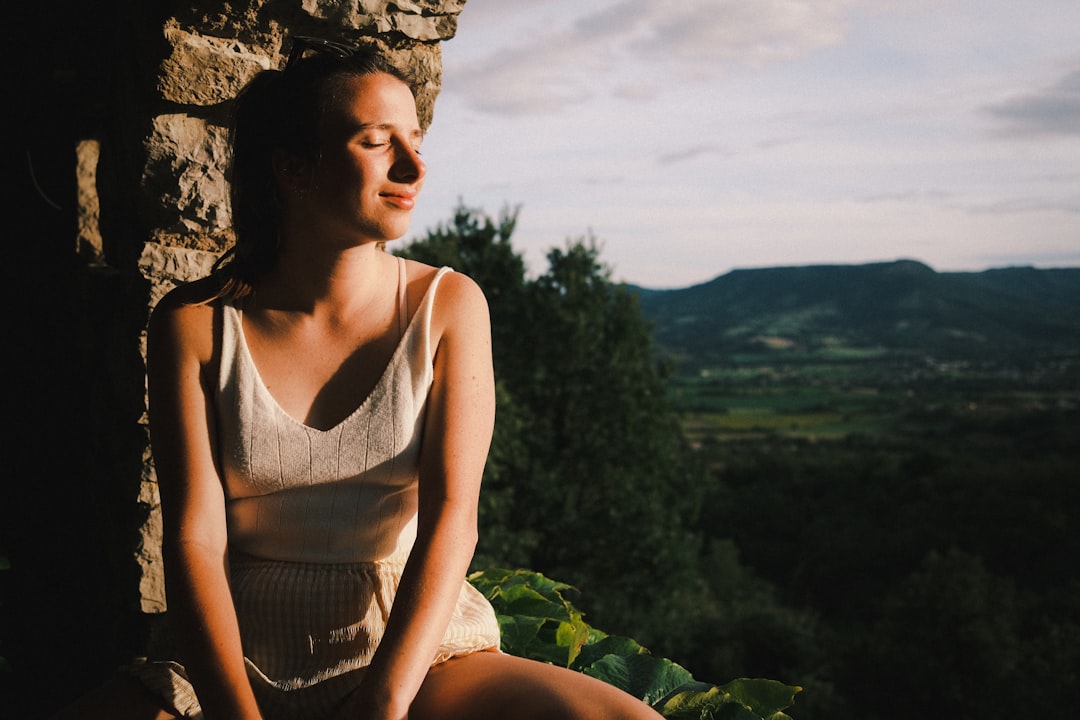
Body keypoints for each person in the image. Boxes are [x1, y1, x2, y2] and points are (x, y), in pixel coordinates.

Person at [52, 36, 664, 720]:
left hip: (410, 656)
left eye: (416, 138)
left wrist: (384, 701)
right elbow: (195, 538)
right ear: (293, 168)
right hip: (234, 662)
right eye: (377, 141)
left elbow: (452, 522)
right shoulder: (195, 323)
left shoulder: (449, 307)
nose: (413, 165)